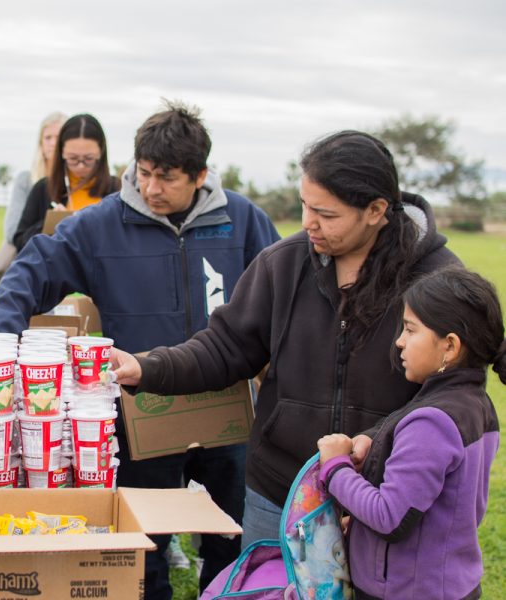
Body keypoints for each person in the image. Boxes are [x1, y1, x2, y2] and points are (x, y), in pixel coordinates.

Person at [0, 102, 280, 600]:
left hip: (228, 415)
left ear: (200, 174)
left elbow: (284, 298)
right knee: (144, 544)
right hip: (142, 413)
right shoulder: (100, 226)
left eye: (166, 178)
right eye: (143, 174)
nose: (150, 189)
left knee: (234, 539)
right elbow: (32, 269)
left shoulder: (244, 222)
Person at [111, 130, 461, 551]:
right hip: (279, 490)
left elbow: (461, 382)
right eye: (305, 206)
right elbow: (226, 347)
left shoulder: (438, 279)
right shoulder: (283, 264)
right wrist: (146, 367)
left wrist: (380, 440)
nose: (308, 223)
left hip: (382, 495)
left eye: (326, 214)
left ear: (376, 210)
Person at [318, 266, 503, 599]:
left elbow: (391, 516)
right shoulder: (475, 403)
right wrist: (373, 444)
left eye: (410, 330)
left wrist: (335, 468)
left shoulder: (434, 420)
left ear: (450, 347)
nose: (400, 342)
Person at [12, 113, 120, 251]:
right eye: (73, 158)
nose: (81, 166)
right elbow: (20, 241)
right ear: (61, 153)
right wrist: (50, 223)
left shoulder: (116, 189)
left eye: (88, 158)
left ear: (101, 152)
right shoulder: (43, 188)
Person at [0, 112, 67, 282]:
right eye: (48, 137)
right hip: (31, 269)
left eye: (58, 136)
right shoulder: (27, 180)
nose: (53, 143)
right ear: (40, 142)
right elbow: (12, 232)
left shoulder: (78, 183)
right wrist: (52, 221)